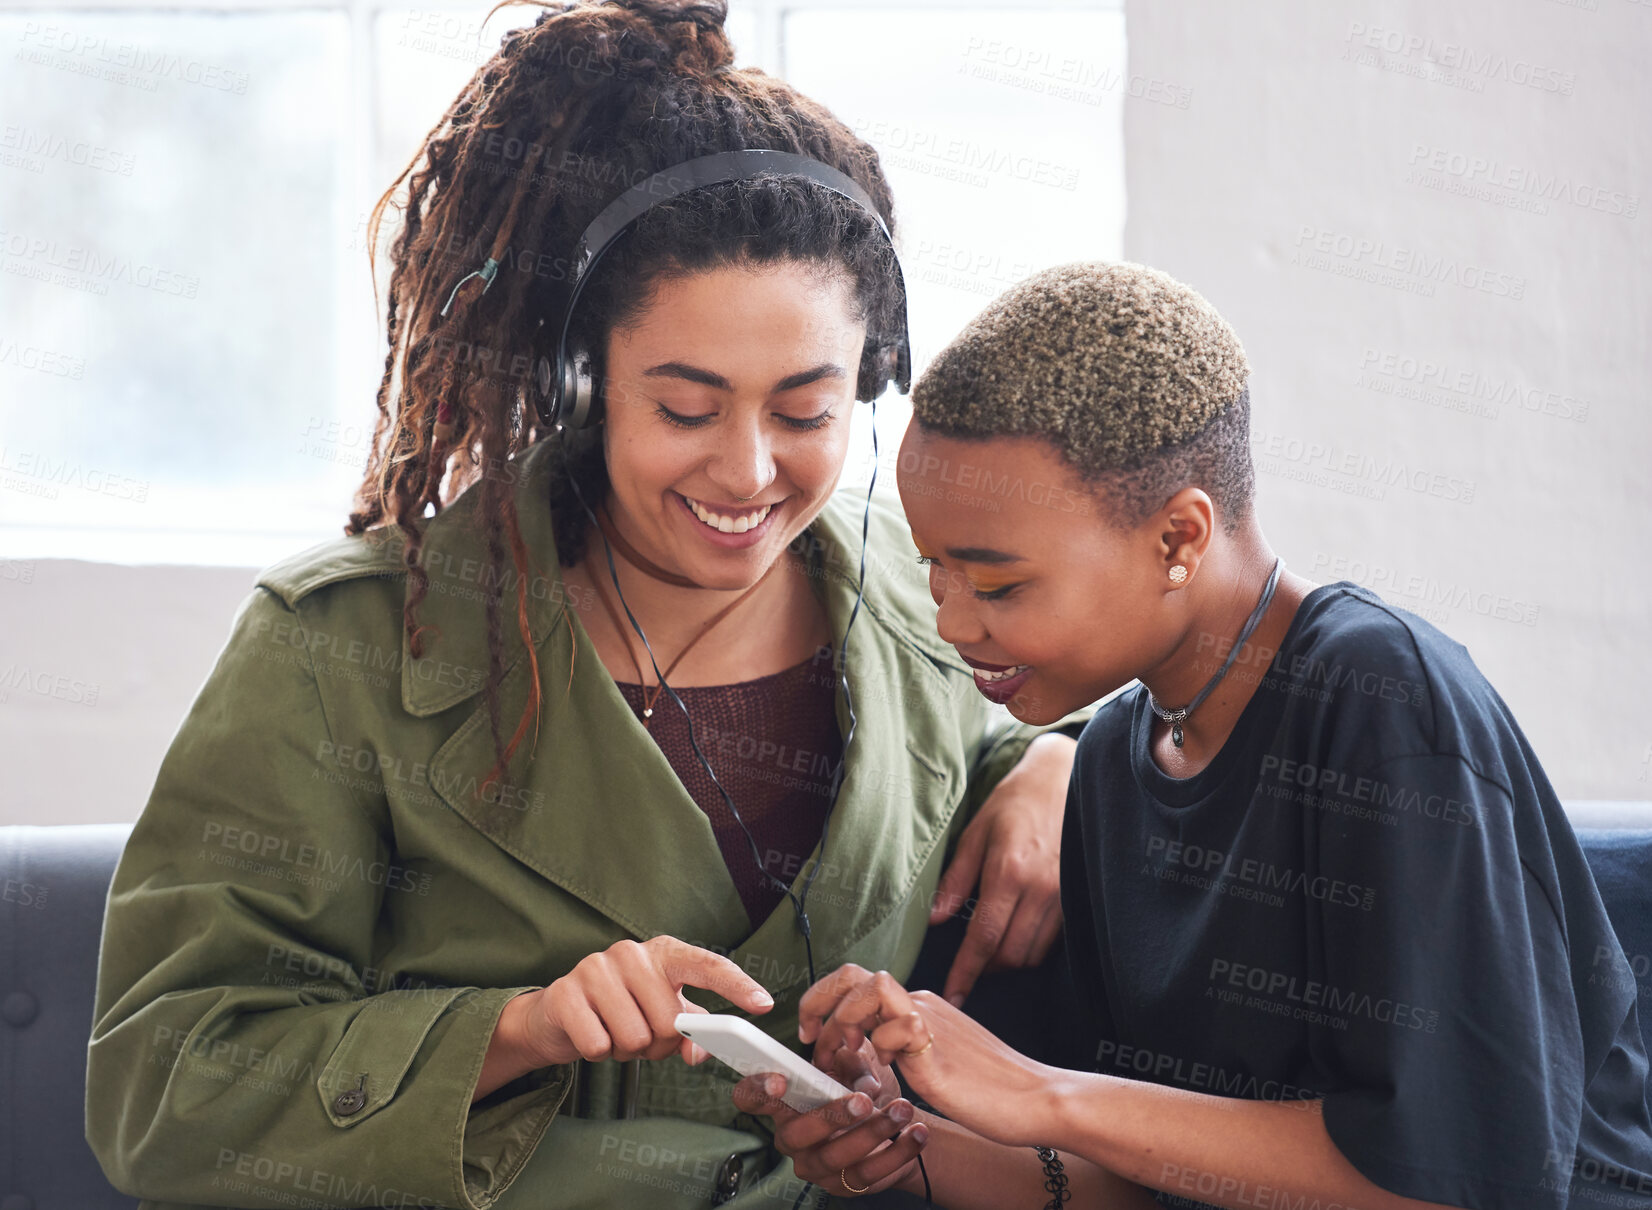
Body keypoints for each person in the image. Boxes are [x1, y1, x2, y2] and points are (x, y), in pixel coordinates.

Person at [82, 4, 1092, 1207]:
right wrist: (514, 1031)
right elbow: (161, 1087)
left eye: (806, 411)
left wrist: (1055, 762)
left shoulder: (919, 585)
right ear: (582, 376)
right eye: (684, 407)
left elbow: (1029, 748)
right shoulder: (340, 647)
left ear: (869, 382)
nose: (748, 472)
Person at [735, 261, 1652, 1210]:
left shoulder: (1378, 699)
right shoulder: (1113, 761)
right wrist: (914, 1146)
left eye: (998, 583)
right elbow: (1147, 1184)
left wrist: (1039, 1093)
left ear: (1179, 538)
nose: (954, 623)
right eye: (934, 572)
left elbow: (1469, 1185)